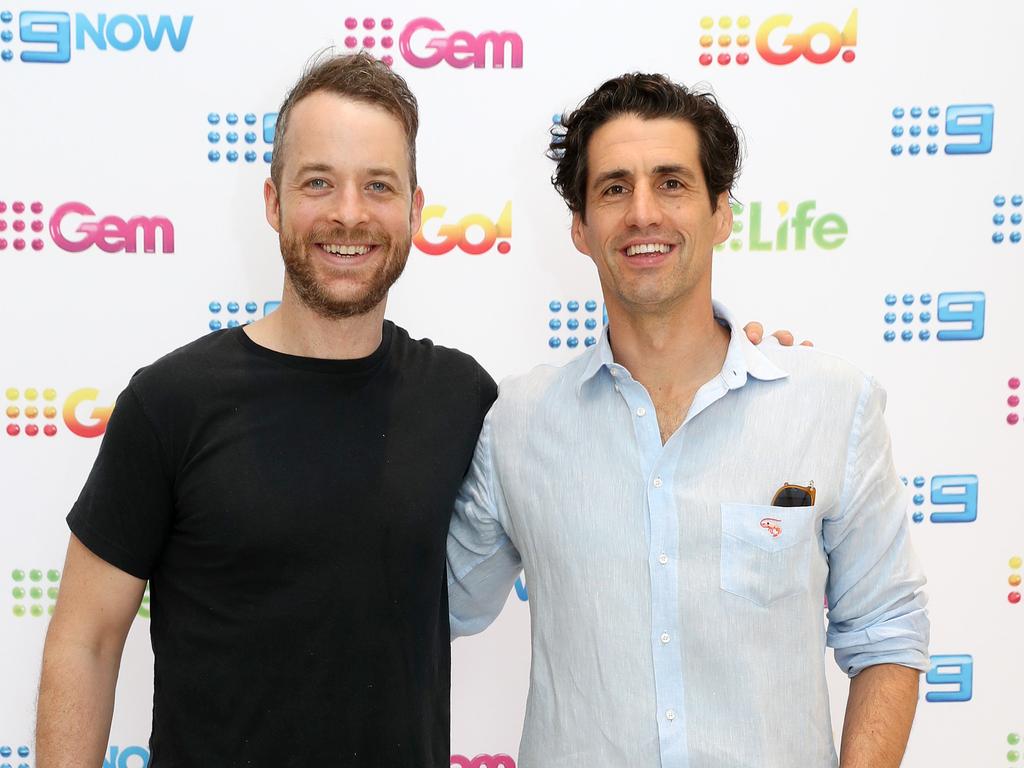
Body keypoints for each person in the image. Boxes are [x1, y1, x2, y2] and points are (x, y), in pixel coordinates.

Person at [34, 54, 787, 766]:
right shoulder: (171, 403)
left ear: (416, 210)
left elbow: (616, 477)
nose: (349, 215)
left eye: (379, 186)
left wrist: (727, 365)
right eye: (319, 183)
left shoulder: (465, 401)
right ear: (273, 201)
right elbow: (87, 641)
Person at [447, 73, 929, 768]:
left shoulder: (829, 405)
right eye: (615, 188)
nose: (643, 212)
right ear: (581, 229)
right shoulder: (519, 423)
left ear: (721, 213)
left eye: (671, 183)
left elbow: (887, 633)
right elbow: (440, 604)